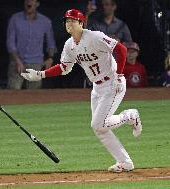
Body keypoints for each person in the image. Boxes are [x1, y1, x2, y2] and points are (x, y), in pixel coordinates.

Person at [21, 9, 142, 173]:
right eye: (66, 21)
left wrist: (120, 75)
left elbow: (121, 50)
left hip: (113, 83)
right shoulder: (69, 45)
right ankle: (125, 162)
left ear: (81, 23)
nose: (68, 24)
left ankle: (129, 116)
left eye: (72, 20)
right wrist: (41, 74)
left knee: (97, 124)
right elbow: (64, 67)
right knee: (100, 129)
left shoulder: (95, 37)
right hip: (97, 87)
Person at [6, 0, 56, 89]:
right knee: (12, 92)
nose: (29, 2)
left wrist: (50, 58)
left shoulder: (45, 21)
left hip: (36, 63)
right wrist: (17, 60)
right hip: (17, 62)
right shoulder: (15, 19)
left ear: (37, 4)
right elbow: (10, 42)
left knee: (34, 95)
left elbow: (51, 43)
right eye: (26, 0)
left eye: (32, 0)